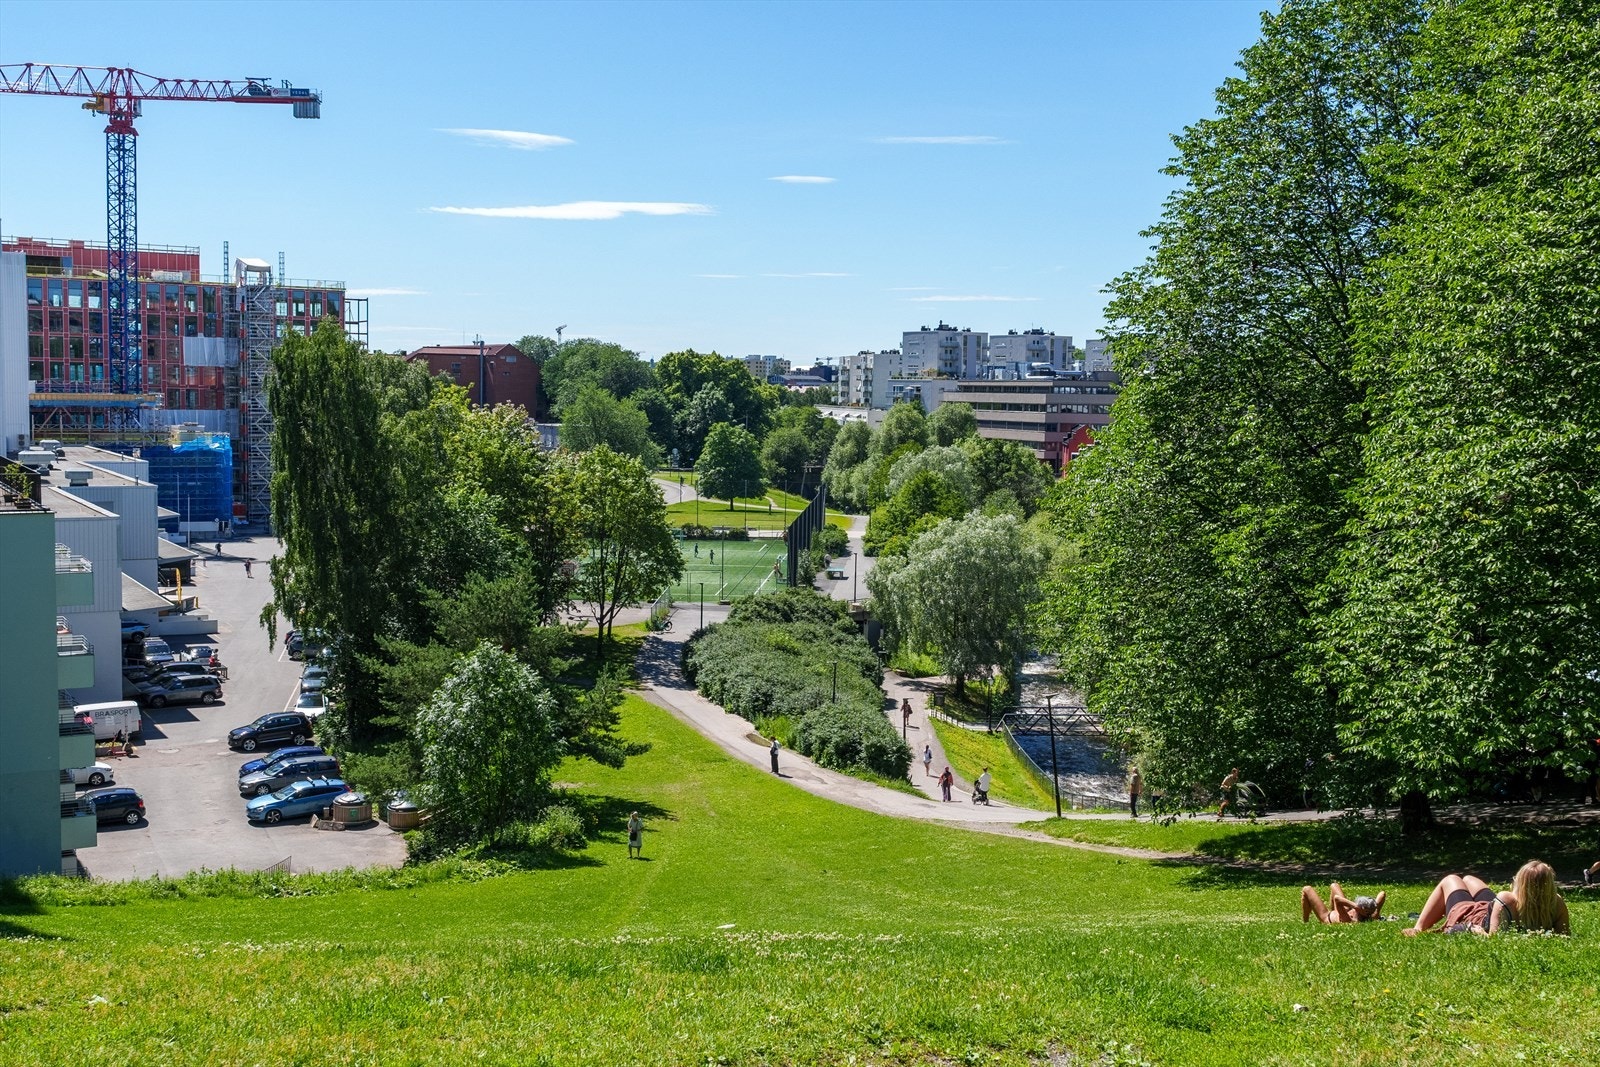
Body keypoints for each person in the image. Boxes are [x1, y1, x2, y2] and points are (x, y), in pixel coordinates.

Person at [1403, 861, 1569, 936]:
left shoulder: (1507, 898)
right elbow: (1564, 936)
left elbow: (1493, 938)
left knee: (1451, 879)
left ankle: (1418, 928)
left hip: (1476, 916)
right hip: (1492, 909)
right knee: (1468, 879)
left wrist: (1478, 932)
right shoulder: (1556, 902)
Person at [1301, 883, 1385, 924]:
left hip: (1327, 917)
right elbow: (1382, 893)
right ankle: (1334, 909)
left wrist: (1355, 906)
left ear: (1360, 909)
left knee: (1307, 889)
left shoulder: (1349, 919)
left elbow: (1337, 899)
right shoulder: (1373, 914)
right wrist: (1376, 907)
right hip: (1340, 910)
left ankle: (1305, 922)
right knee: (1334, 885)